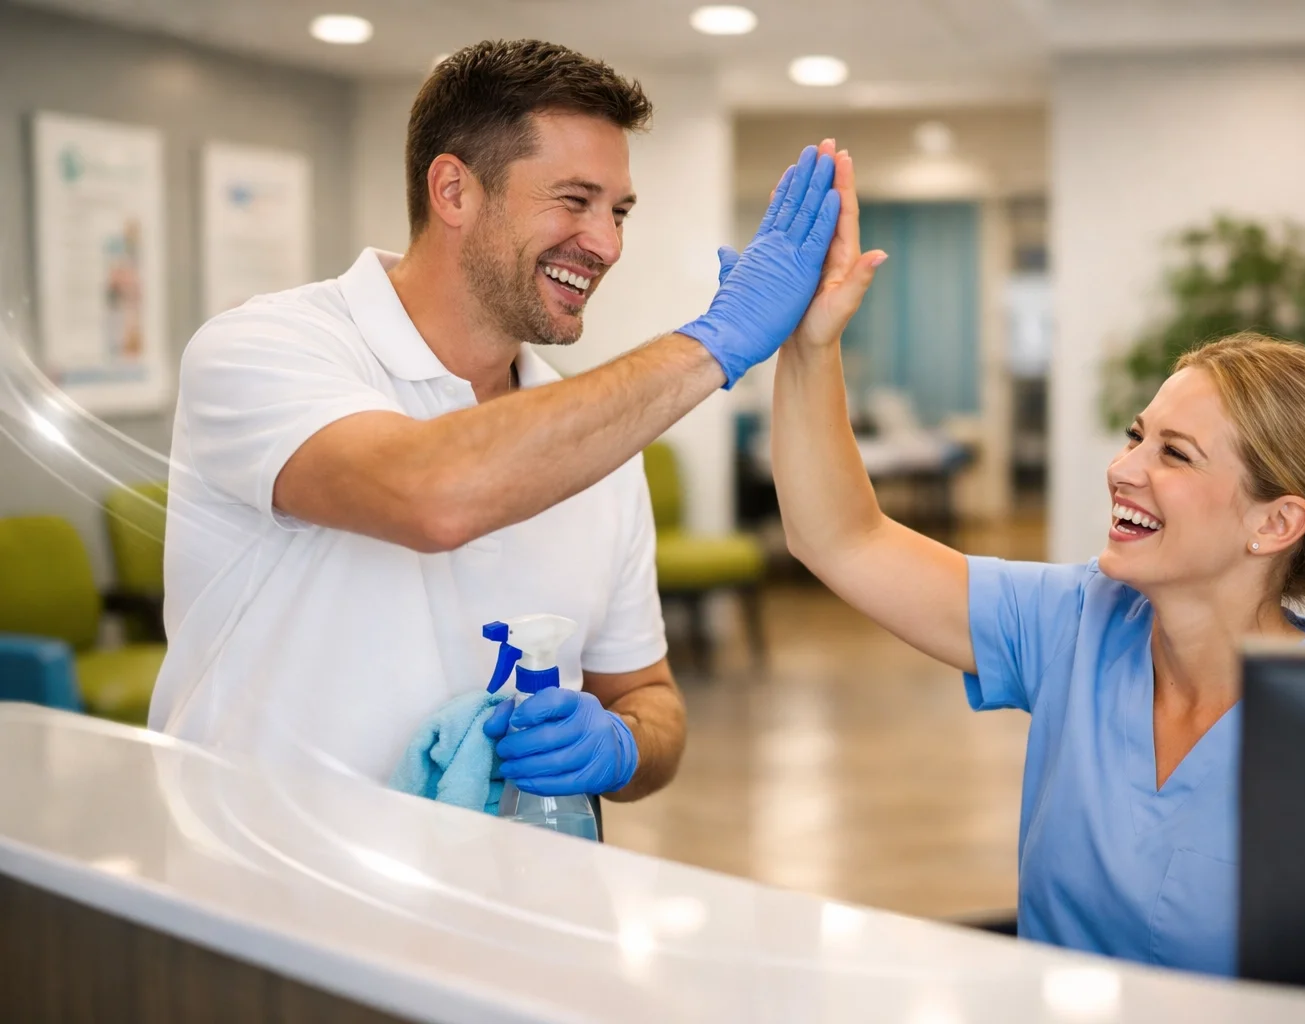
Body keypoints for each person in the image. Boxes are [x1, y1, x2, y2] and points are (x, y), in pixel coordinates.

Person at [149, 39, 842, 808]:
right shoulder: (263, 350)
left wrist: (621, 744)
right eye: (574, 200)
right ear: (453, 191)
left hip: (514, 901)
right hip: (267, 896)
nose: (608, 244)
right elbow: (430, 495)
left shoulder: (597, 447)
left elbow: (651, 700)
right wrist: (713, 344)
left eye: (619, 212)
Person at [769, 153, 1305, 974]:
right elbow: (840, 538)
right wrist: (810, 343)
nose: (1125, 469)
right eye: (1134, 436)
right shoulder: (1074, 622)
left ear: (1277, 521)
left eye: (1175, 454)